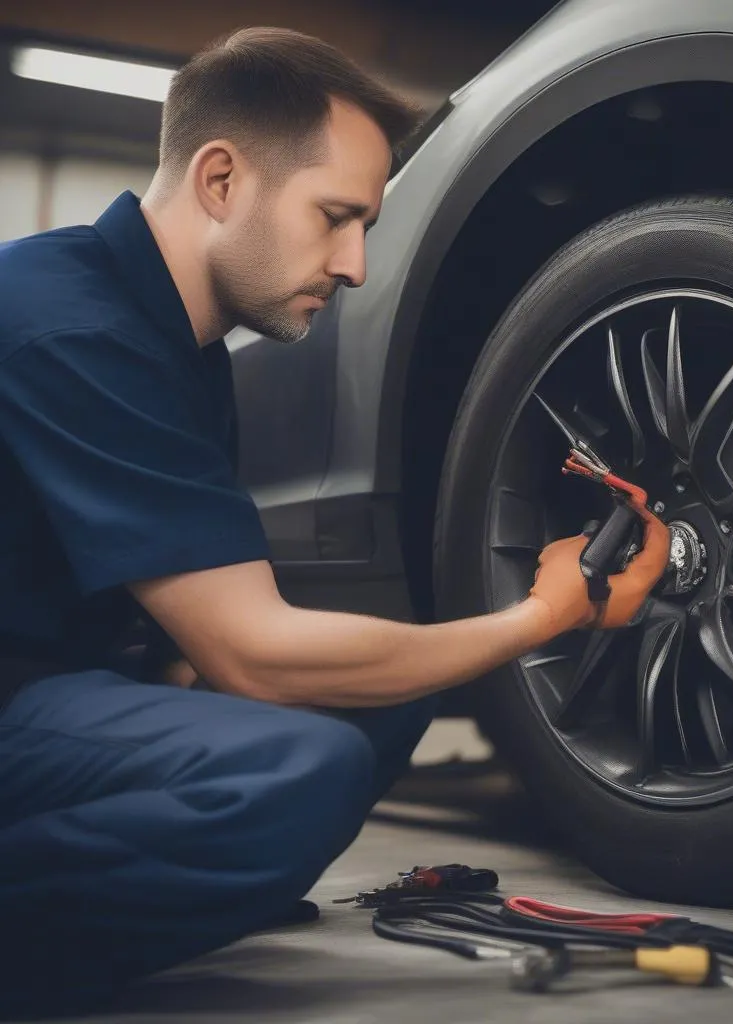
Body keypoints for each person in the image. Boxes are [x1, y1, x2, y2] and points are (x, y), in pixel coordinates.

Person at [0, 25, 670, 1020]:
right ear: (221, 181)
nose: (355, 264)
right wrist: (543, 616)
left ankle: (207, 877)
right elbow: (252, 659)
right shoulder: (67, 324)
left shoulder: (175, 342)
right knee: (299, 762)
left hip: (49, 680)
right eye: (335, 217)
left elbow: (182, 634)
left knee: (373, 694)